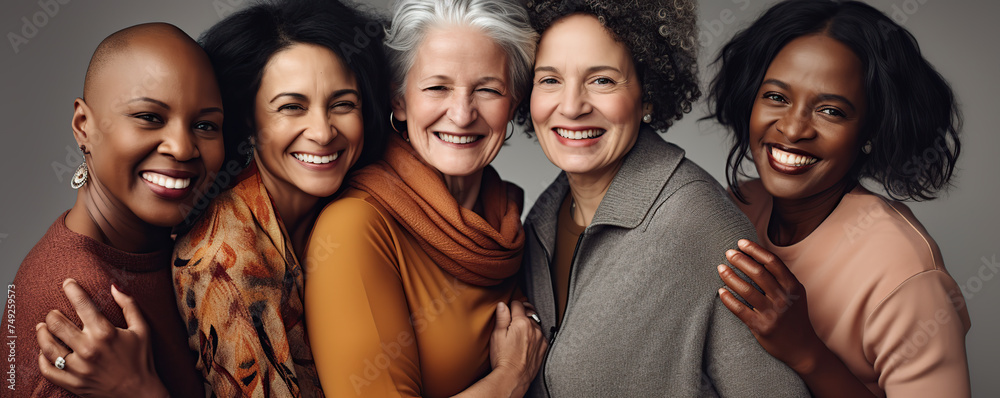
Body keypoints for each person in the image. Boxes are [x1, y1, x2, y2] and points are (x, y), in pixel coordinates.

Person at [514, 1, 811, 396]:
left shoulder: (698, 222)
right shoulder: (541, 219)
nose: (571, 106)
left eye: (602, 80)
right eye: (549, 80)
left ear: (647, 96)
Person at [707, 1, 970, 397]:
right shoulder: (737, 205)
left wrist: (807, 353)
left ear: (871, 130)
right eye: (776, 97)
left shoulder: (908, 276)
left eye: (831, 110)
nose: (793, 128)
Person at [303, 0, 545, 396]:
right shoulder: (354, 227)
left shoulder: (506, 219)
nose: (463, 114)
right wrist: (511, 376)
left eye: (487, 89)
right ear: (399, 99)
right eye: (437, 87)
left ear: (514, 102)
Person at [170, 0, 391, 396]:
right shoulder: (225, 259)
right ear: (249, 121)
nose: (323, 133)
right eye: (292, 107)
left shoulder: (364, 202)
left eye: (342, 104)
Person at [8, 23, 223, 397]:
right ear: (83, 126)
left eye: (205, 125)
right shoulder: (77, 309)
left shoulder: (177, 247)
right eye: (149, 117)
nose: (182, 147)